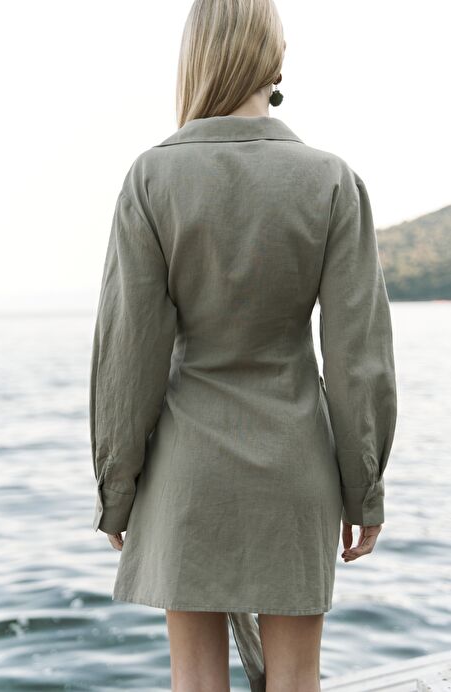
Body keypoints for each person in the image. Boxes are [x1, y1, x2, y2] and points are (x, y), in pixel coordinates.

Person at [88, 0, 398, 690]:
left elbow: (127, 358)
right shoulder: (331, 180)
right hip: (295, 468)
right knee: (295, 680)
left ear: (195, 58)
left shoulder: (151, 179)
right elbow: (358, 359)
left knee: (195, 680)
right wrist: (364, 490)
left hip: (185, 471)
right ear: (276, 60)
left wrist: (117, 485)